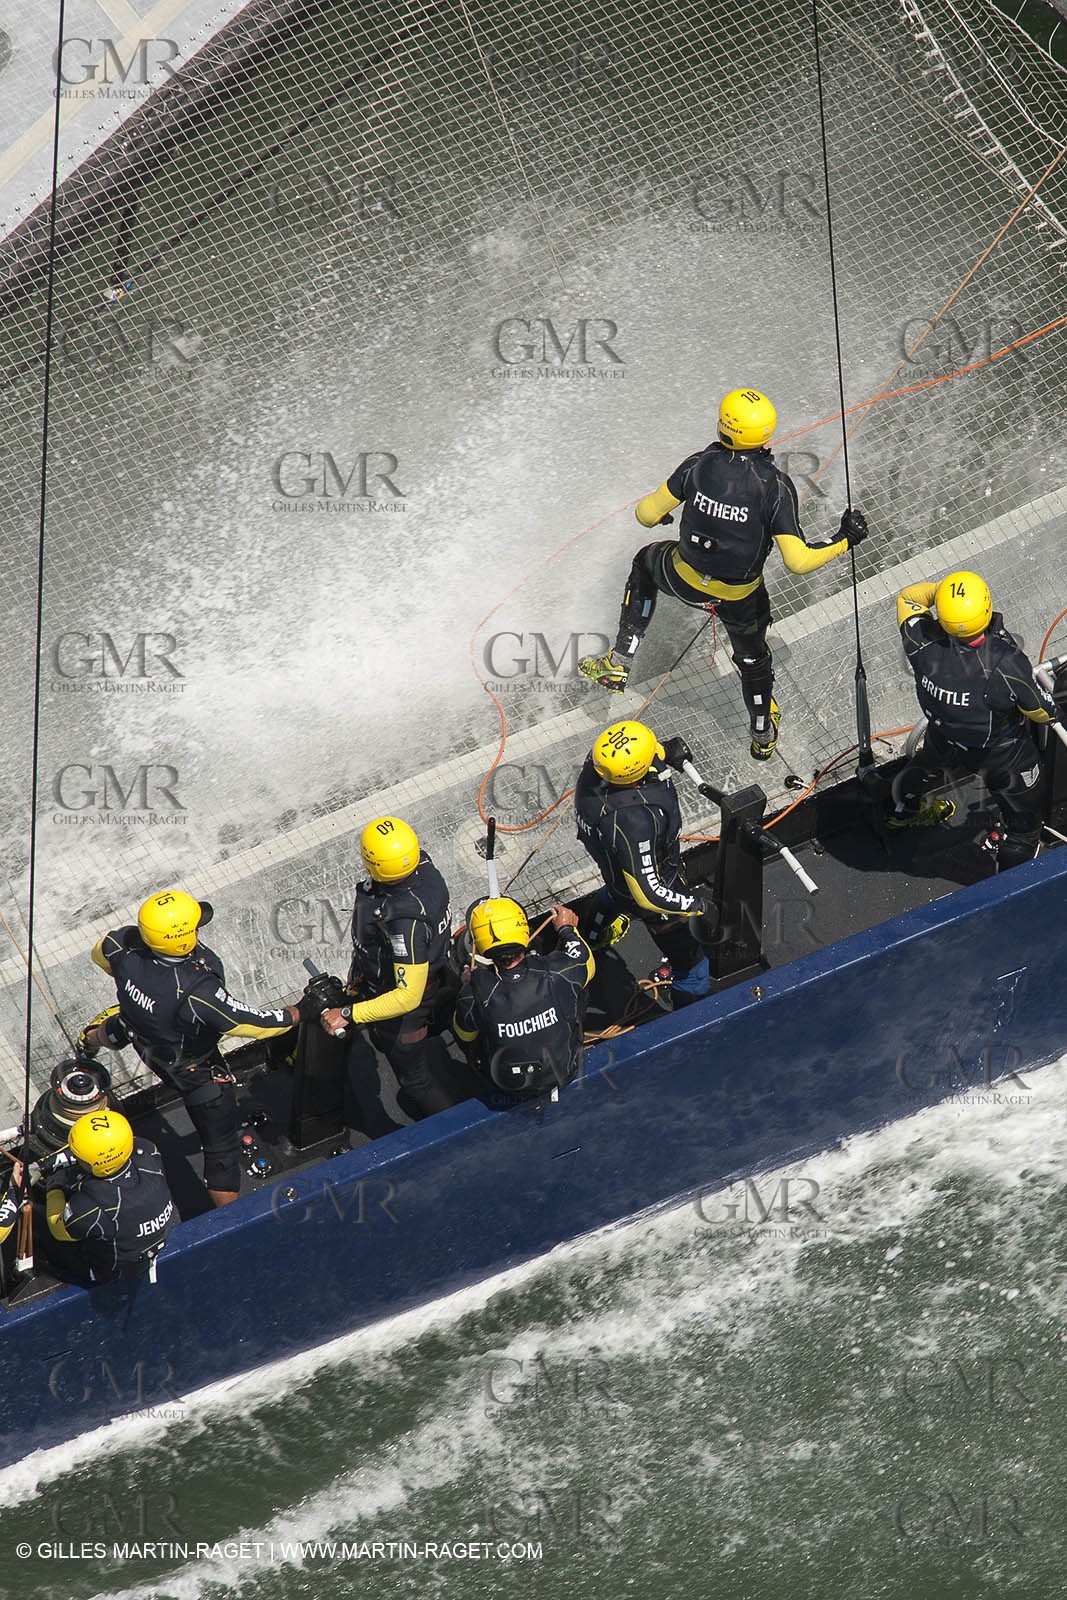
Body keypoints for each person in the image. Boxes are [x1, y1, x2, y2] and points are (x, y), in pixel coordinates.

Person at [579, 388, 868, 759]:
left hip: (683, 578)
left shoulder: (698, 464)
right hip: (738, 598)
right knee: (753, 660)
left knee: (645, 563)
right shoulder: (775, 486)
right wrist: (846, 538)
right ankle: (763, 733)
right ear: (767, 433)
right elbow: (798, 562)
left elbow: (646, 515)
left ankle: (619, 664)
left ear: (722, 425)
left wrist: (673, 510)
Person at [84, 891, 300, 1206]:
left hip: (142, 1040)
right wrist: (299, 1012)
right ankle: (232, 1223)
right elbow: (252, 1024)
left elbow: (100, 953)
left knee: (113, 1029)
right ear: (184, 940)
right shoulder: (199, 991)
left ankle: (88, 1040)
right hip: (194, 1071)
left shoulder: (123, 947)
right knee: (221, 1150)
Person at [890, 570, 1060, 865]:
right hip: (1003, 757)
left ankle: (903, 811)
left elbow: (907, 597)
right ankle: (1007, 892)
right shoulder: (1005, 661)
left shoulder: (920, 640)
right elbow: (1041, 711)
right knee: (1024, 829)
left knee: (925, 764)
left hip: (943, 735)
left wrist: (943, 592)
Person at [319, 817, 460, 1119]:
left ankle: (457, 1127)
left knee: (416, 1082)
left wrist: (348, 1014)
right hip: (433, 970)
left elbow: (407, 996)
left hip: (408, 1008)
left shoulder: (403, 921)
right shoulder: (422, 864)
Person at [574, 720, 715, 1008]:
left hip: (618, 875)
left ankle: (591, 938)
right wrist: (696, 905)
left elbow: (632, 756)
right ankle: (688, 1016)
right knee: (694, 974)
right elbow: (648, 893)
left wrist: (663, 751)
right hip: (649, 891)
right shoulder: (633, 820)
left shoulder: (598, 764)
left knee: (614, 895)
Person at [452, 899, 595, 1097]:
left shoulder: (474, 990)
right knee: (578, 989)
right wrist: (567, 929)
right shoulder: (557, 970)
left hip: (506, 1085)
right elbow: (586, 963)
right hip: (565, 1071)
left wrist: (467, 985)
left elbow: (465, 1034)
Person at [41, 1110, 175, 1284]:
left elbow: (58, 1229)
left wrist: (54, 1186)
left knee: (44, 1230)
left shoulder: (89, 1207)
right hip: (159, 1234)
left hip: (116, 1270)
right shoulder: (148, 1151)